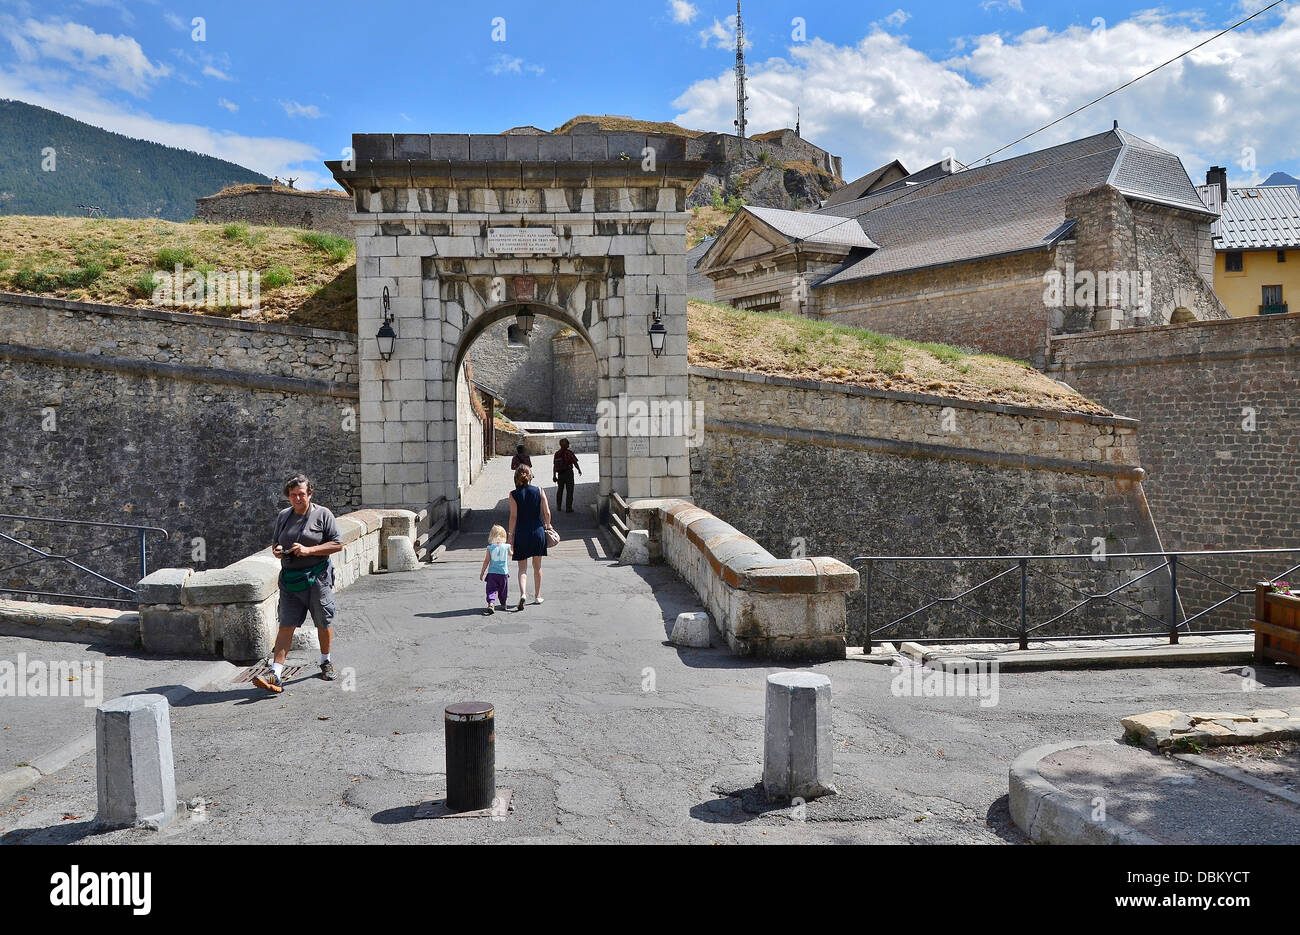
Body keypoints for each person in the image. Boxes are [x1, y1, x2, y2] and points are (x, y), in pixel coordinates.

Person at [252, 473, 343, 694]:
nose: (297, 499)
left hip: (318, 578)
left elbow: (338, 544)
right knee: (286, 625)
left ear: (309, 493)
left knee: (323, 621)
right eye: (293, 495)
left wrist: (309, 550)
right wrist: (277, 551)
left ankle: (325, 661)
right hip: (290, 580)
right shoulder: (284, 516)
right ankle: (276, 674)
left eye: (301, 494)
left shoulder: (323, 515)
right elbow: (276, 542)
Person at [507, 464, 554, 610]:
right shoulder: (539, 491)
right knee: (537, 566)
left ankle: (523, 594)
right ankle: (538, 595)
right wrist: (548, 525)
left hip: (521, 532)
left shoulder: (513, 494)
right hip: (537, 531)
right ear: (530, 476)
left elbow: (513, 516)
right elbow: (546, 512)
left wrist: (510, 536)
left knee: (522, 568)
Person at [479, 525, 512, 615]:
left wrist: (482, 573)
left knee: (491, 589)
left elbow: (487, 561)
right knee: (503, 589)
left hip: (492, 573)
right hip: (503, 573)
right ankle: (503, 603)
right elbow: (511, 554)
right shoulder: (506, 547)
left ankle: (491, 603)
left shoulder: (490, 548)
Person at [552, 438, 582, 513]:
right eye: (568, 443)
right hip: (568, 473)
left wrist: (554, 475)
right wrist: (579, 469)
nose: (569, 444)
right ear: (566, 445)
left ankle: (559, 506)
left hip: (560, 474)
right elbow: (575, 462)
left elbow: (555, 465)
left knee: (560, 490)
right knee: (570, 490)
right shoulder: (569, 453)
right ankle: (568, 508)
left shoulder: (557, 453)